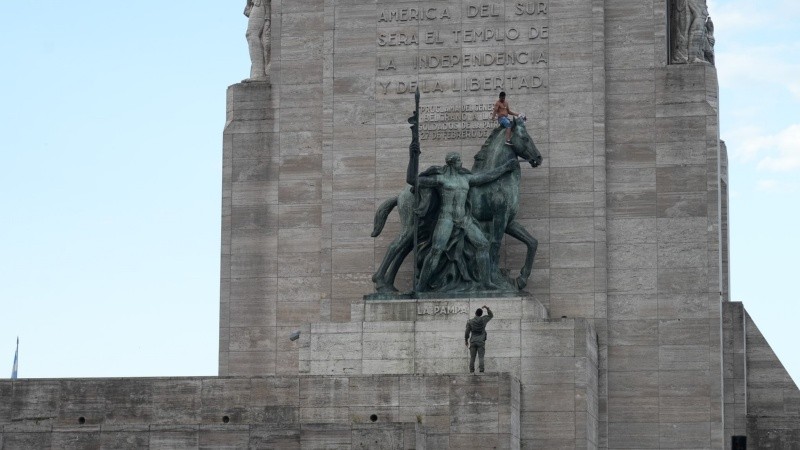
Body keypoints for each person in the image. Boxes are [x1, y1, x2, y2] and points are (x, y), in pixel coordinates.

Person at [413, 152, 516, 292]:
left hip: (464, 219)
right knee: (436, 250)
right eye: (459, 160)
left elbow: (485, 177)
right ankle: (421, 285)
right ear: (452, 162)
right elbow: (413, 181)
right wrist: (413, 157)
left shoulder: (466, 179)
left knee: (483, 244)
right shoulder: (441, 179)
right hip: (446, 218)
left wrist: (505, 168)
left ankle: (486, 283)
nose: (461, 163)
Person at [244, 0, 271, 81]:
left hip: (261, 3)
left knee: (252, 34)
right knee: (252, 35)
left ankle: (258, 73)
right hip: (257, 4)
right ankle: (258, 72)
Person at [465, 305, 493, 373]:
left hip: (473, 341)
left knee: (472, 357)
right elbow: (491, 315)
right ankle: (481, 371)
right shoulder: (484, 319)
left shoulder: (470, 321)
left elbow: (467, 332)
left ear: (475, 313)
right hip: (481, 341)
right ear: (481, 314)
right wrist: (487, 308)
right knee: (481, 357)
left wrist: (466, 340)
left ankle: (471, 371)